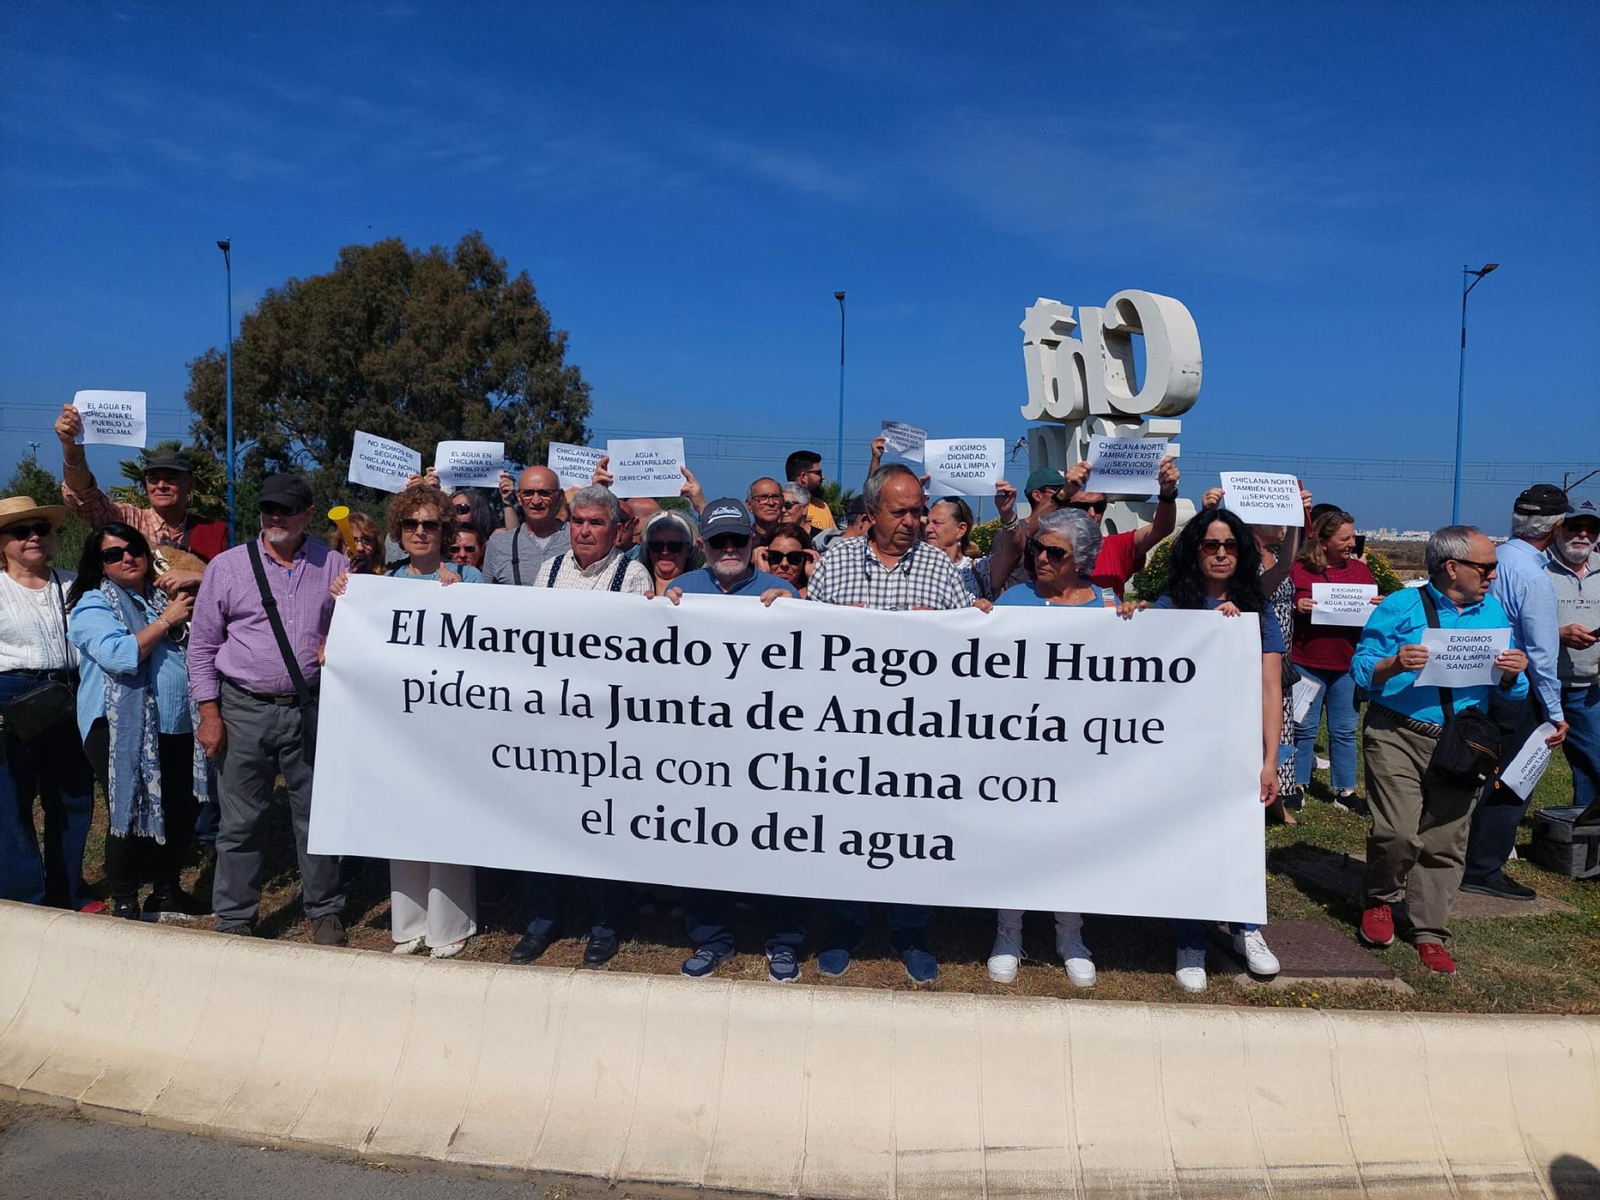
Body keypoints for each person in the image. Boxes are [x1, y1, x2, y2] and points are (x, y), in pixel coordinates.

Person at [808, 464, 977, 984]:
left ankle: (910, 929)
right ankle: (846, 925)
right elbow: (804, 644)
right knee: (847, 831)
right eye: (899, 511)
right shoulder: (834, 563)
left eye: (918, 511)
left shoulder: (943, 570)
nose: (912, 521)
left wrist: (984, 621)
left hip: (918, 737)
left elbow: (968, 651)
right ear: (871, 513)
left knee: (914, 834)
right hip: (844, 733)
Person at [1350, 525, 1530, 973]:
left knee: (1445, 840)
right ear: (1453, 568)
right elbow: (1361, 668)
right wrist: (1393, 663)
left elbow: (1512, 692)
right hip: (1397, 732)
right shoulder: (1400, 606)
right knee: (1396, 831)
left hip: (1462, 741)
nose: (1493, 575)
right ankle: (1381, 898)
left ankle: (1430, 930)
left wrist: (1513, 674)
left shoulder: (1495, 614)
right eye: (1486, 567)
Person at [187, 473, 348, 943]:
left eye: (286, 509)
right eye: (268, 508)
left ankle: (325, 910)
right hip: (242, 707)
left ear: (308, 514)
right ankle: (235, 918)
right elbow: (202, 647)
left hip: (310, 708)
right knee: (240, 820)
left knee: (317, 817)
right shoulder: (227, 567)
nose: (275, 517)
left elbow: (359, 628)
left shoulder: (333, 563)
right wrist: (209, 714)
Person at [654, 499, 802, 979]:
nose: (730, 548)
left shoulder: (781, 591)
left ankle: (783, 942)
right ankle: (711, 939)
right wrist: (662, 615)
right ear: (703, 546)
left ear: (753, 542)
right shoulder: (682, 590)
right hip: (701, 750)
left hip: (768, 748)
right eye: (720, 541)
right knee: (703, 842)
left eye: (739, 538)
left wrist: (797, 613)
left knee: (777, 844)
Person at [508, 484, 651, 970]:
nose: (585, 531)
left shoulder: (633, 576)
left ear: (615, 529)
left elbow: (641, 653)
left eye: (595, 523)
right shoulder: (548, 571)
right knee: (542, 822)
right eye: (579, 521)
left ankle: (606, 924)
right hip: (552, 719)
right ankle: (543, 920)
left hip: (607, 726)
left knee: (603, 824)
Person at [1140, 507, 1283, 990]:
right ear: (1195, 551)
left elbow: (1270, 688)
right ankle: (1190, 939)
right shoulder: (1171, 605)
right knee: (1189, 841)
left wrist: (1270, 761)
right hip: (1180, 748)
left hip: (1237, 748)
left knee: (1240, 838)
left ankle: (1246, 929)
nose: (1221, 554)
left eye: (1230, 546)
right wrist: (1132, 615)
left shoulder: (1256, 612)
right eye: (1210, 545)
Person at [987, 507, 1109, 988]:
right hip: (1020, 747)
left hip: (1080, 752)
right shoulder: (1014, 599)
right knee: (1016, 840)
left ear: (1080, 558)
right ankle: (1008, 933)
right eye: (1037, 548)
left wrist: (1133, 622)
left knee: (1071, 841)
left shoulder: (1106, 605)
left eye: (1053, 551)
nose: (1040, 557)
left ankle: (1070, 935)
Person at [66, 523, 207, 921]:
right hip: (118, 727)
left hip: (178, 721)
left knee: (181, 808)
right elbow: (120, 654)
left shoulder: (159, 597)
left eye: (134, 550)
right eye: (113, 554)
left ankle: (165, 894)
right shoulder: (93, 605)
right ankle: (125, 899)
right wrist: (168, 619)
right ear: (100, 563)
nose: (127, 558)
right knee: (127, 809)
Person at [376, 485, 478, 957]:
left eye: (430, 524)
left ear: (445, 530)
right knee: (401, 818)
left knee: (446, 818)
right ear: (399, 531)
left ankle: (450, 925)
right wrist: (345, 593)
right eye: (411, 525)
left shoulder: (470, 580)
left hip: (452, 720)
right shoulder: (379, 580)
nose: (420, 532)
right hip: (398, 721)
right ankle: (410, 924)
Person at [1462, 485, 1570, 901]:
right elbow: (1542, 653)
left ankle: (1465, 855)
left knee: (1476, 772)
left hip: (1480, 680)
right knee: (1512, 780)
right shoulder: (1534, 577)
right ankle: (1484, 866)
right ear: (1556, 527)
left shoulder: (1497, 559)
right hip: (1519, 688)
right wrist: (1556, 711)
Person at [0, 497, 95, 911]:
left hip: (69, 693)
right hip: (9, 696)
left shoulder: (74, 583)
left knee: (72, 796)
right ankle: (25, 899)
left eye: (41, 529)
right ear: (2, 544)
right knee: (10, 801)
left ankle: (67, 893)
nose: (34, 537)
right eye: (21, 532)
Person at [54, 408, 229, 570]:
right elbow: (85, 499)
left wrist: (199, 577)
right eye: (153, 478)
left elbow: (227, 582)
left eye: (171, 478)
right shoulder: (128, 520)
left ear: (189, 485)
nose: (161, 485)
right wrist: (72, 448)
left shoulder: (214, 532)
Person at [1290, 509, 1379, 814]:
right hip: (1306, 660)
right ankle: (1296, 785)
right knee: (1303, 728)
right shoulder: (1299, 570)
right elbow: (1278, 603)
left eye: (1352, 537)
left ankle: (1345, 790)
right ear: (1324, 541)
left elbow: (1370, 618)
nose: (1352, 543)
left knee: (1344, 730)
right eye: (1345, 538)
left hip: (1346, 665)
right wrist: (1295, 605)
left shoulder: (1360, 572)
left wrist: (1377, 608)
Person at [991, 459, 1181, 601]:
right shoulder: (1045, 547)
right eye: (1082, 507)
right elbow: (1030, 529)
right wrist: (1064, 492)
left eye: (1099, 507)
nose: (1092, 513)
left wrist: (1167, 494)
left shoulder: (1117, 547)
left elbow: (1161, 529)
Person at [1547, 499, 1599, 810]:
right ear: (1558, 528)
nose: (1582, 534)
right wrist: (1558, 635)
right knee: (1518, 762)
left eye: (1591, 529)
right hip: (1536, 685)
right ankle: (1500, 834)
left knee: (1593, 762)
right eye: (1574, 526)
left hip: (1586, 689)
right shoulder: (1537, 567)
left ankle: (1584, 832)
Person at [482, 466, 569, 586]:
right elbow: (486, 596)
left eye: (544, 493)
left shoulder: (578, 538)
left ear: (559, 496)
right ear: (518, 496)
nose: (536, 501)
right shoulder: (498, 544)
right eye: (528, 493)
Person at [924, 496, 988, 603]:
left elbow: (1012, 553)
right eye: (927, 523)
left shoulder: (979, 569)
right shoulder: (915, 568)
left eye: (937, 523)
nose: (928, 529)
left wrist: (1007, 515)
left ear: (961, 529)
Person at [639, 509, 701, 596]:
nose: (665, 552)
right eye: (657, 545)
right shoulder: (633, 582)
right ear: (648, 549)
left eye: (674, 546)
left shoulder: (701, 585)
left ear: (688, 549)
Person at [755, 523, 818, 598]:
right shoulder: (750, 589)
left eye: (794, 557)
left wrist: (815, 578)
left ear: (806, 559)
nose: (784, 564)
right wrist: (763, 576)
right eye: (776, 557)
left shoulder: (815, 593)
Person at [785, 450, 837, 532]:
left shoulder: (822, 506)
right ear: (803, 477)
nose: (823, 477)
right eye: (818, 473)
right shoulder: (779, 506)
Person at [328, 510, 388, 576]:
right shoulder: (328, 577)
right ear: (339, 545)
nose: (360, 548)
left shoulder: (388, 577)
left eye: (367, 540)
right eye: (352, 541)